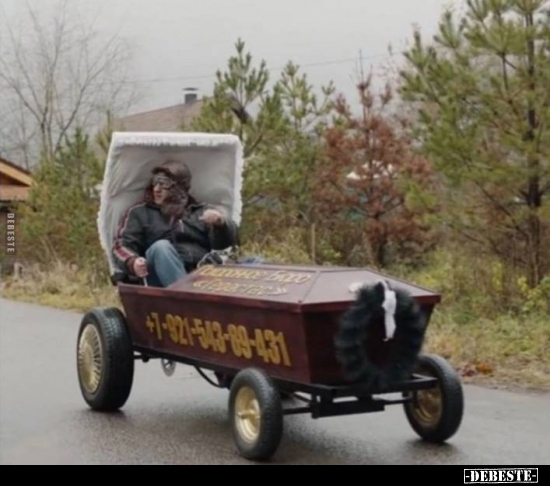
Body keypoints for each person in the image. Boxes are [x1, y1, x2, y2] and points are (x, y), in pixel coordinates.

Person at [112, 160, 239, 287]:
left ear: (180, 187)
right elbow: (120, 246)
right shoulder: (140, 213)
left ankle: (191, 292)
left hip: (200, 274)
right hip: (158, 279)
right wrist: (132, 262)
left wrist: (220, 224)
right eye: (155, 182)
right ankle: (186, 295)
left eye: (164, 184)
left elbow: (228, 244)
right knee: (161, 247)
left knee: (247, 262)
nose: (156, 189)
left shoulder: (201, 211)